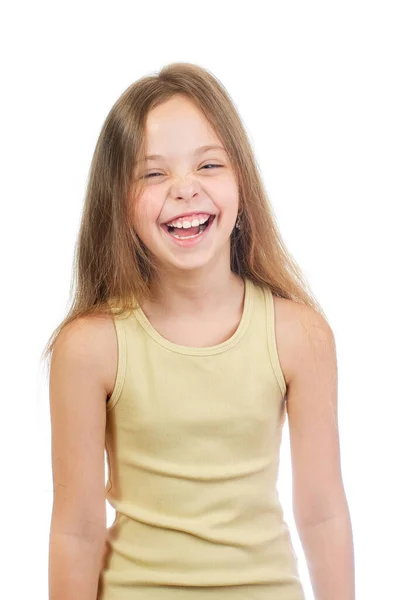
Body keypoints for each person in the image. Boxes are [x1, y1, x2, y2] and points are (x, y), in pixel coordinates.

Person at [42, 62, 355, 600]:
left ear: (242, 182)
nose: (185, 189)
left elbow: (323, 512)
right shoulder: (90, 347)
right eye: (154, 173)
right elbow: (76, 529)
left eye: (208, 164)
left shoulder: (299, 335)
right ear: (118, 202)